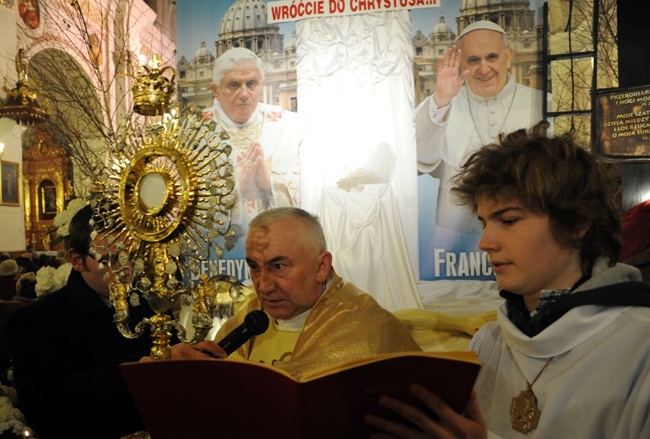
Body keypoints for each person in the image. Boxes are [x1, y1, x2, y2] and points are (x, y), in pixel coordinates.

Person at [365, 122, 650, 438]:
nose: (485, 242)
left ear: (578, 221)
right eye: (485, 222)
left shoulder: (640, 345)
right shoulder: (488, 342)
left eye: (509, 220)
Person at [6, 204, 222, 438]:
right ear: (77, 260)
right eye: (111, 261)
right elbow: (49, 412)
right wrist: (142, 369)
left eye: (132, 256)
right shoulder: (35, 321)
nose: (127, 270)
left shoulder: (147, 305)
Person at [214, 207, 421, 380]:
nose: (264, 286)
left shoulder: (374, 331)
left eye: (278, 267)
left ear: (321, 267)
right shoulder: (242, 327)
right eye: (255, 268)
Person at [416, 20, 551, 280]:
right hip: (453, 239)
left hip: (526, 238)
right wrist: (442, 99)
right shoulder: (440, 103)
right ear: (460, 63)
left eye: (492, 57)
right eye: (473, 60)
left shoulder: (545, 103)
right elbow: (421, 158)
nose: (483, 68)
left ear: (509, 57)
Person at [204, 47, 306, 240]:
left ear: (262, 83)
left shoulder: (291, 126)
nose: (244, 94)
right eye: (234, 85)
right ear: (215, 90)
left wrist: (270, 182)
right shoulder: (193, 132)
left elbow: (313, 186)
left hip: (279, 244)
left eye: (251, 84)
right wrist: (237, 185)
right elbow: (179, 197)